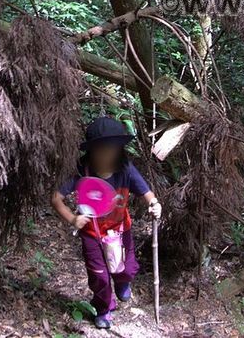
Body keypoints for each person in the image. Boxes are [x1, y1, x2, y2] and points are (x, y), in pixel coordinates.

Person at [50, 116, 161, 330]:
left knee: (125, 269)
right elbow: (56, 198)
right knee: (99, 276)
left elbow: (146, 192)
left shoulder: (125, 169)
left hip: (120, 231)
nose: (107, 154)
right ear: (91, 151)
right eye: (102, 149)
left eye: (112, 149)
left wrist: (154, 204)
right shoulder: (81, 170)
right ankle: (103, 309)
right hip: (92, 234)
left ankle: (122, 281)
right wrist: (73, 219)